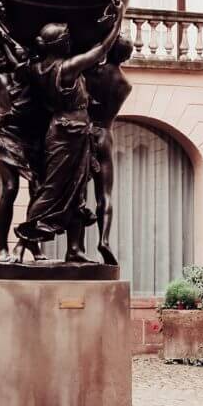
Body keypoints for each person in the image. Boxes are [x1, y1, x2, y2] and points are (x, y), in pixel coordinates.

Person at [15, 0, 125, 263]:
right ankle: (21, 243)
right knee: (52, 190)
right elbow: (101, 50)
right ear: (59, 44)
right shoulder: (66, 67)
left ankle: (75, 250)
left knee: (75, 191)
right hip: (69, 133)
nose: (70, 40)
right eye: (66, 38)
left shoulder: (36, 67)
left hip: (68, 132)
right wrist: (119, 17)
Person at [0, 0, 48, 263]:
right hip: (9, 138)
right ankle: (2, 247)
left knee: (38, 191)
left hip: (34, 137)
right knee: (9, 189)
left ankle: (32, 242)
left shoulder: (26, 74)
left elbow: (32, 52)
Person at [84, 34, 133, 265]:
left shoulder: (92, 73)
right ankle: (104, 240)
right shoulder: (125, 85)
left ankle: (79, 246)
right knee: (104, 194)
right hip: (105, 134)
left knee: (79, 194)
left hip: (85, 134)